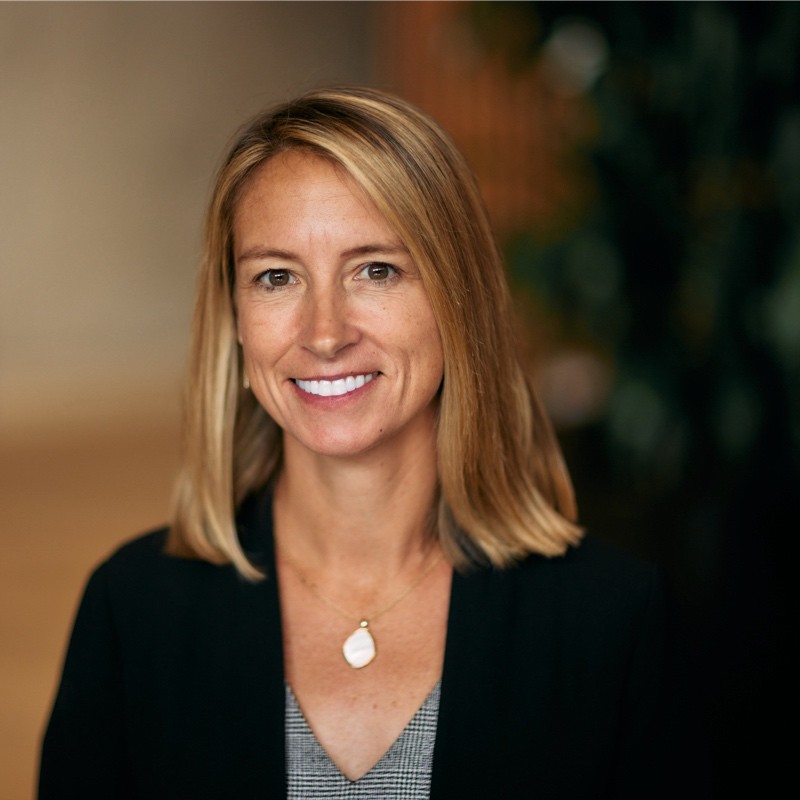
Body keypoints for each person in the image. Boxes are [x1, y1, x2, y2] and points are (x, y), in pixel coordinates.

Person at [39, 86, 690, 799]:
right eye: (276, 277)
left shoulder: (611, 621)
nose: (324, 333)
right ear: (235, 318)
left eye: (376, 269)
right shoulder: (132, 612)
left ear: (458, 298)